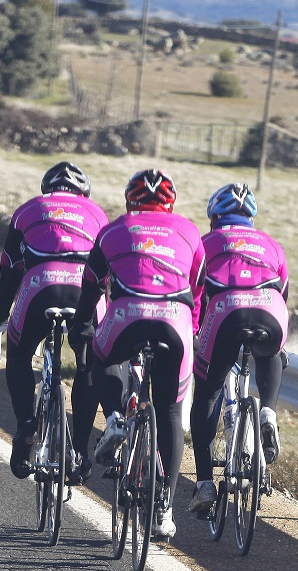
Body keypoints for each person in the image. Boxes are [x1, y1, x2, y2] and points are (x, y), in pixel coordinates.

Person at [68, 169, 205, 540]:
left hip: (126, 315)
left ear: (130, 200)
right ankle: (164, 509)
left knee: (105, 357)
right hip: (174, 321)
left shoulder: (112, 230)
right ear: (171, 203)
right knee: (172, 411)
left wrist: (82, 325)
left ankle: (113, 418)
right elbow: (198, 289)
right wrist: (192, 331)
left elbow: (91, 287)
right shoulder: (190, 232)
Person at [0, 162, 109, 482]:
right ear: (83, 192)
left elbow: (10, 270)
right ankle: (79, 451)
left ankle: (26, 425)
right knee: (89, 364)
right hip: (84, 290)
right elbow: (108, 274)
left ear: (47, 189)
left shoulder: (27, 210)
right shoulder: (96, 213)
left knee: (20, 353)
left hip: (40, 285)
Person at [187, 182, 290, 516]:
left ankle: (203, 483)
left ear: (215, 216)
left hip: (226, 311)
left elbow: (194, 294)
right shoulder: (272, 245)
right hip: (270, 310)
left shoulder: (205, 242)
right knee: (271, 352)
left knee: (206, 391)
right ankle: (268, 412)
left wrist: (197, 333)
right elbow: (283, 293)